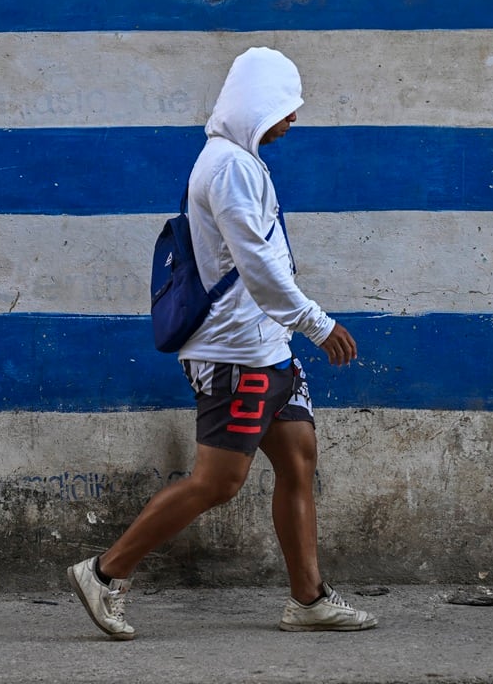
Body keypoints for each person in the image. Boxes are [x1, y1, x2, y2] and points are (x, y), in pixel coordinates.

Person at [67, 47, 376, 639]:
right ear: (257, 106)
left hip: (267, 348)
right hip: (236, 352)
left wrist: (291, 333)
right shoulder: (230, 166)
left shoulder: (240, 162)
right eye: (285, 108)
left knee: (297, 461)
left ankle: (308, 599)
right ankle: (105, 574)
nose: (292, 121)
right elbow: (258, 263)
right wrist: (317, 324)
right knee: (218, 482)